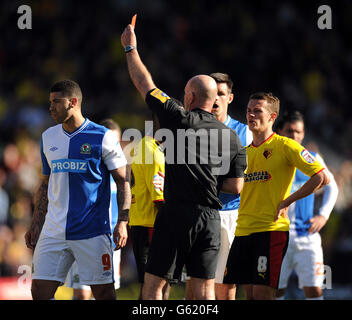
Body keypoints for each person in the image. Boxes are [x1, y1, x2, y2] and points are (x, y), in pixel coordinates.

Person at [121, 22, 247, 300]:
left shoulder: (178, 118)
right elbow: (236, 187)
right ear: (214, 100)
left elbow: (145, 84)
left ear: (189, 97)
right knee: (204, 290)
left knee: (154, 286)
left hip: (175, 213)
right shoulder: (232, 138)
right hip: (211, 219)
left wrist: (131, 48)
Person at [24, 80, 131, 300]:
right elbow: (45, 183)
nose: (50, 107)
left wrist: (122, 221)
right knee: (39, 291)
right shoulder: (48, 137)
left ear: (73, 102)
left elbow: (123, 182)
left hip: (92, 231)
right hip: (54, 231)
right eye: (50, 102)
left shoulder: (103, 137)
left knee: (104, 294)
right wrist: (36, 222)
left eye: (56, 102)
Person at [223, 92, 330, 300]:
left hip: (270, 230)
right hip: (242, 229)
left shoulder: (285, 146)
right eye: (248, 111)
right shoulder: (243, 152)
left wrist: (288, 201)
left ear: (272, 117)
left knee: (264, 294)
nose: (250, 115)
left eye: (257, 111)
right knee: (250, 296)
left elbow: (322, 177)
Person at [275, 111, 338, 300]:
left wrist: (323, 215)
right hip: (279, 235)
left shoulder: (312, 158)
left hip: (307, 236)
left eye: (299, 132)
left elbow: (332, 187)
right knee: (276, 292)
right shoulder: (271, 158)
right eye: (290, 131)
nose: (295, 136)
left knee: (314, 291)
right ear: (279, 131)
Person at [65, 118, 124, 300]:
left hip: (111, 241)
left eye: (115, 142)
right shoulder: (86, 170)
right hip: (84, 235)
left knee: (104, 293)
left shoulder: (123, 173)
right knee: (82, 293)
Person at [129, 113, 171, 300]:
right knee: (152, 286)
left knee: (161, 284)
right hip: (151, 224)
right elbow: (159, 198)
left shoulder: (152, 147)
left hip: (148, 222)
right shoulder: (151, 150)